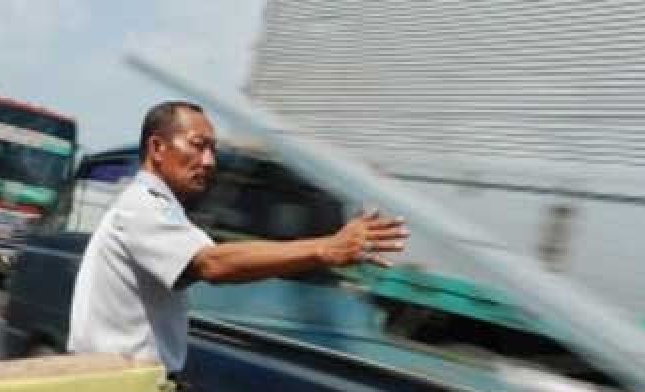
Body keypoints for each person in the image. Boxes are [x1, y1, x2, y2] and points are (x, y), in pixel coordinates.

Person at [68, 101, 409, 374]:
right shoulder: (142, 207)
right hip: (114, 389)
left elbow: (214, 255)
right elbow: (214, 264)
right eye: (199, 146)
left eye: (212, 150)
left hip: (126, 384)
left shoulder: (163, 210)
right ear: (157, 147)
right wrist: (324, 249)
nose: (210, 161)